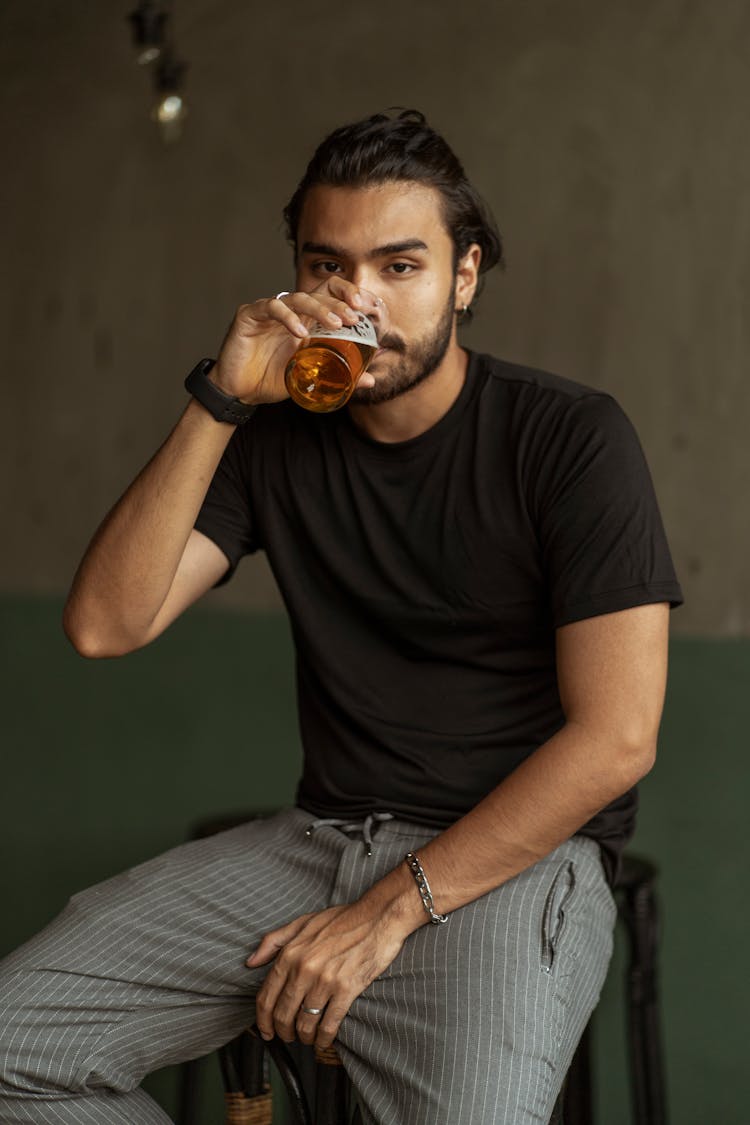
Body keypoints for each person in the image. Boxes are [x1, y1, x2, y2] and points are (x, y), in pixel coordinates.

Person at [0, 109, 682, 1125]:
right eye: (330, 267)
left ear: (465, 276)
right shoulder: (275, 438)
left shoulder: (569, 438)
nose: (360, 299)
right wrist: (220, 402)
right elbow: (106, 624)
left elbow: (617, 740)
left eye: (399, 266)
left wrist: (384, 913)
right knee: (16, 1050)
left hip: (510, 860)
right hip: (321, 841)